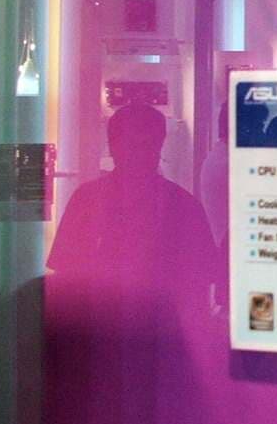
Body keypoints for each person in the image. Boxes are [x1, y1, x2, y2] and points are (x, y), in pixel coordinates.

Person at [47, 103, 219, 316]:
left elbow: (198, 289)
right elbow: (65, 278)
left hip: (147, 328)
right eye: (131, 145)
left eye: (145, 145)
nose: (138, 154)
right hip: (106, 324)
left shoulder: (184, 206)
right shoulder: (86, 200)